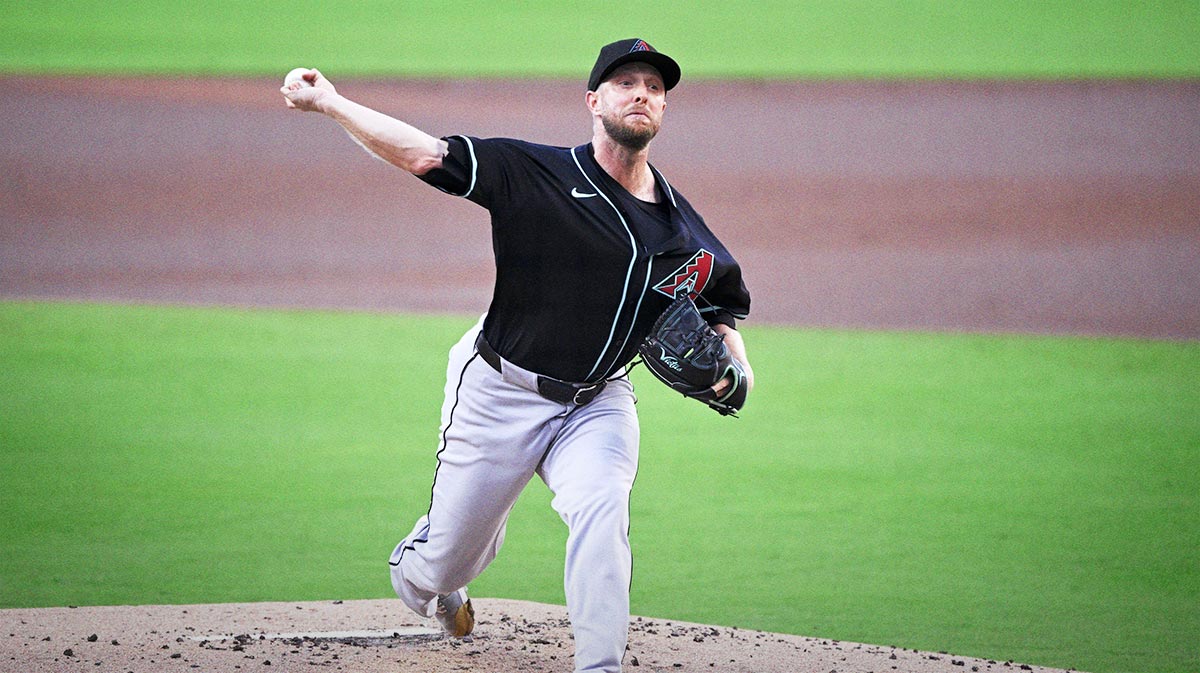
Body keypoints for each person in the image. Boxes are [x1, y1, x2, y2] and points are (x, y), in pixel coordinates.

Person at [281, 38, 753, 673]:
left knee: (602, 504)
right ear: (594, 101)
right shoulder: (537, 174)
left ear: (663, 109)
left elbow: (722, 308)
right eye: (625, 83)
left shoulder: (684, 231)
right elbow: (424, 154)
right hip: (500, 392)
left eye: (655, 87)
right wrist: (332, 103)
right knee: (444, 563)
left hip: (599, 403)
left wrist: (735, 374)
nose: (642, 93)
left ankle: (599, 665)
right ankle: (436, 573)